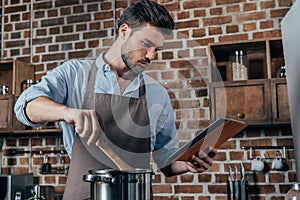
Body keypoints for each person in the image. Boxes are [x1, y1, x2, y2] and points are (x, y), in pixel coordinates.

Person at [14, 0, 217, 199]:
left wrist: (186, 162)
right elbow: (25, 107)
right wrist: (69, 113)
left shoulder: (157, 93)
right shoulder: (75, 73)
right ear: (124, 30)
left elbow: (164, 157)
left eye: (157, 49)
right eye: (146, 44)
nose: (151, 56)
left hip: (137, 194)